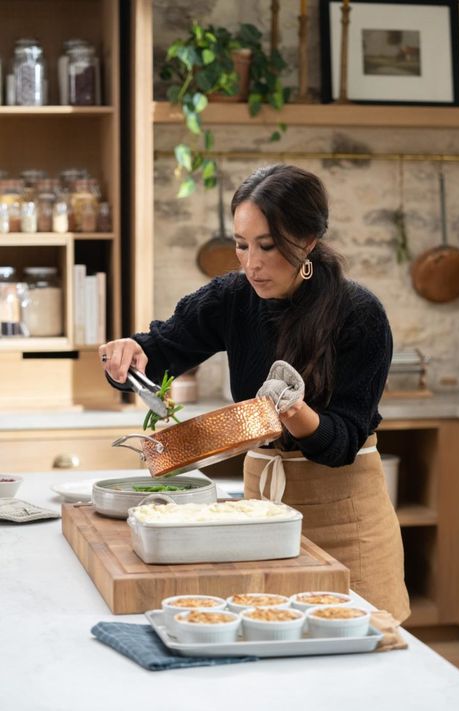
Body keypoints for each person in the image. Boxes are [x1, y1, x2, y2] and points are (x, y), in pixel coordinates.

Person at [99, 163, 410, 622]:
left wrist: (294, 412)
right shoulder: (232, 298)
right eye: (242, 246)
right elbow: (160, 351)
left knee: (361, 654)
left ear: (307, 241)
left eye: (267, 247)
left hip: (346, 515)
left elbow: (343, 441)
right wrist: (128, 356)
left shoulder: (359, 314)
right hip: (262, 512)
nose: (252, 263)